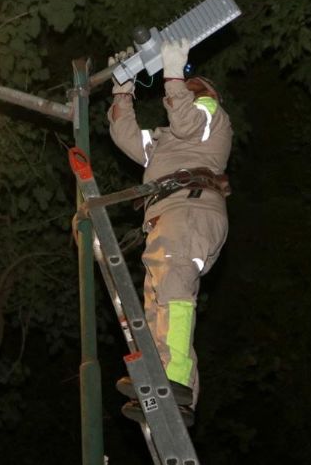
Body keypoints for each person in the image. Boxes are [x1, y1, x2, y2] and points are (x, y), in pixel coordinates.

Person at [107, 39, 233, 426]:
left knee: (175, 289)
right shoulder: (167, 143)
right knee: (158, 303)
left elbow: (187, 119)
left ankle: (174, 378)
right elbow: (127, 137)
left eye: (194, 88)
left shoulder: (210, 116)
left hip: (191, 208)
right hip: (165, 218)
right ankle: (170, 392)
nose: (185, 92)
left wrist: (175, 74)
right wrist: (121, 93)